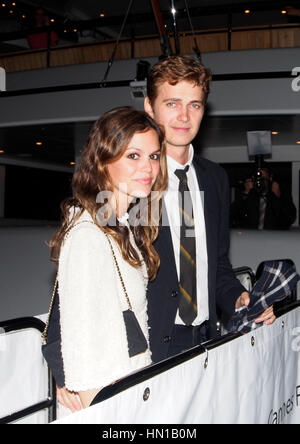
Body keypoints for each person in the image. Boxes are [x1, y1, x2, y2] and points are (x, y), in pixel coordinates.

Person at [54, 56, 276, 412]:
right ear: (149, 107)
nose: (184, 117)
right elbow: (84, 272)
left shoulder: (214, 179)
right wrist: (68, 371)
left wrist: (240, 299)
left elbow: (216, 264)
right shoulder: (131, 183)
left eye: (194, 105)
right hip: (153, 347)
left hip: (208, 341)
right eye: (172, 104)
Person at [45, 106, 167, 409]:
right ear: (103, 160)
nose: (148, 168)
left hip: (129, 394)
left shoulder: (120, 227)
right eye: (133, 156)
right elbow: (84, 360)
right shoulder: (89, 235)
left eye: (153, 156)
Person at [230, 167, 296, 230]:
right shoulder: (249, 196)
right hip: (250, 237)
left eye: (263, 179)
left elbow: (290, 218)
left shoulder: (279, 195)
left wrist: (279, 197)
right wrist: (245, 194)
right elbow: (232, 216)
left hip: (274, 238)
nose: (260, 183)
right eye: (257, 180)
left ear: (270, 178)